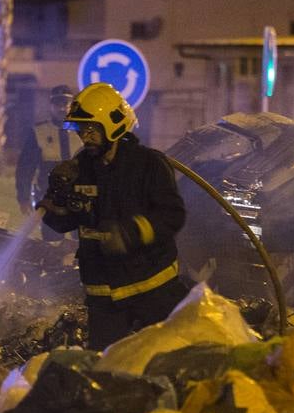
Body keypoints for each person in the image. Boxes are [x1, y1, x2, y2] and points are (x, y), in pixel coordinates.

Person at [39, 82, 189, 350]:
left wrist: (130, 233)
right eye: (81, 130)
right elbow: (61, 224)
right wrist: (56, 198)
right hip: (103, 299)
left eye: (91, 129)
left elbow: (172, 215)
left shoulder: (148, 164)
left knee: (160, 363)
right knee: (107, 373)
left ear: (114, 125)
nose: (85, 137)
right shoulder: (80, 168)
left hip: (153, 292)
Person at [15, 85, 82, 240]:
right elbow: (25, 167)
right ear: (51, 105)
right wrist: (23, 197)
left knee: (82, 242)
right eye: (58, 104)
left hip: (79, 196)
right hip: (50, 197)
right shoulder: (39, 132)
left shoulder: (84, 130)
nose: (62, 108)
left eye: (66, 104)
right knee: (51, 243)